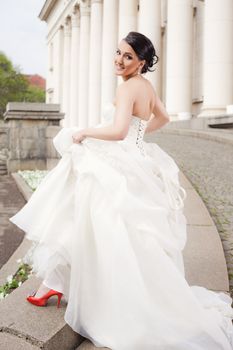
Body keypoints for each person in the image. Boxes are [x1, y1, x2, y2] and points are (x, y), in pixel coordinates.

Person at [9, 31, 233, 349]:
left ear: (141, 62)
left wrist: (85, 132)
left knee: (88, 211)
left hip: (120, 159)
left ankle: (60, 285)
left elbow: (116, 131)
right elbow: (163, 118)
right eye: (118, 52)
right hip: (134, 159)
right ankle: (53, 283)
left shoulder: (129, 87)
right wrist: (138, 140)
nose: (119, 60)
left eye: (128, 56)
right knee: (102, 220)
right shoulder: (147, 87)